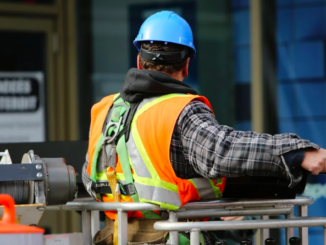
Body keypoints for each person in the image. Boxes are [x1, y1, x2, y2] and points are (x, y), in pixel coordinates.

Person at [82, 10, 326, 245]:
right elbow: (222, 151)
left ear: (139, 60)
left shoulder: (105, 110)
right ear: (187, 65)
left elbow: (89, 176)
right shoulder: (180, 110)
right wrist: (296, 152)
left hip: (115, 236)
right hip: (172, 236)